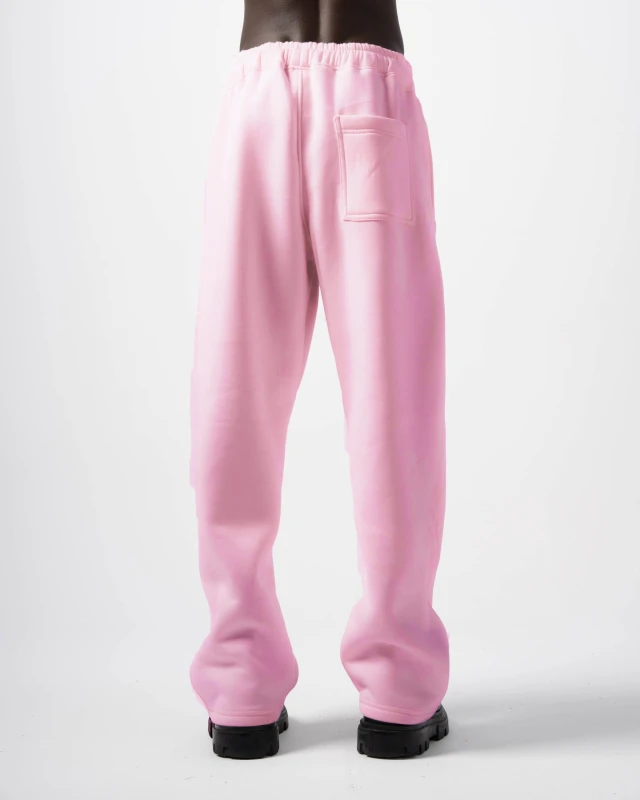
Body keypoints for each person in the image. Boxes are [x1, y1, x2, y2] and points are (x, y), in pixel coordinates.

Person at [189, 0, 450, 759]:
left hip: (258, 99)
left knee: (233, 388)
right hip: (368, 89)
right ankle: (398, 690)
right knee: (392, 401)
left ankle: (241, 685)